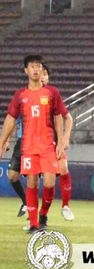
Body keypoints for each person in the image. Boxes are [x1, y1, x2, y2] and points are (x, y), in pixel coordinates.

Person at [0, 55, 72, 232]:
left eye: (38, 66)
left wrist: (61, 140)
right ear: (26, 70)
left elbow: (59, 117)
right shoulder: (20, 95)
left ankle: (43, 214)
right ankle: (33, 224)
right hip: (29, 147)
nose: (36, 69)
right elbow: (10, 119)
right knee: (32, 183)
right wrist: (2, 142)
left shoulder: (52, 93)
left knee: (49, 183)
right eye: (32, 66)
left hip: (48, 145)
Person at [41, 65, 76, 221]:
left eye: (45, 74)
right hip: (35, 145)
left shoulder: (53, 95)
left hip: (53, 144)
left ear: (48, 77)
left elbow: (68, 118)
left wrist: (65, 138)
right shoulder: (27, 95)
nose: (41, 76)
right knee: (37, 182)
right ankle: (39, 215)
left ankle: (66, 206)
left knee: (63, 168)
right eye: (40, 73)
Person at [7, 114, 27, 217]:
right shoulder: (20, 104)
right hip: (21, 142)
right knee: (12, 176)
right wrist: (7, 140)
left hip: (37, 141)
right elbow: (12, 121)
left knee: (34, 177)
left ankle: (40, 218)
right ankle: (26, 201)